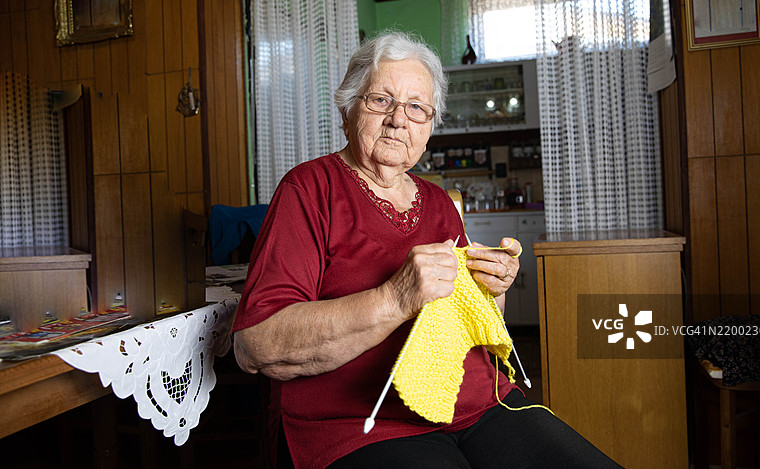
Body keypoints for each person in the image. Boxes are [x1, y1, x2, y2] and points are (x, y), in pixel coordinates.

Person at [232, 31, 621, 469]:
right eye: (381, 100)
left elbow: (470, 324)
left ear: (430, 126)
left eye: (417, 107)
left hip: (477, 403)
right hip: (359, 423)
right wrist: (395, 298)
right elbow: (255, 345)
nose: (400, 119)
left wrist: (491, 291)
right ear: (349, 108)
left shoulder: (437, 201)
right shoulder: (309, 189)